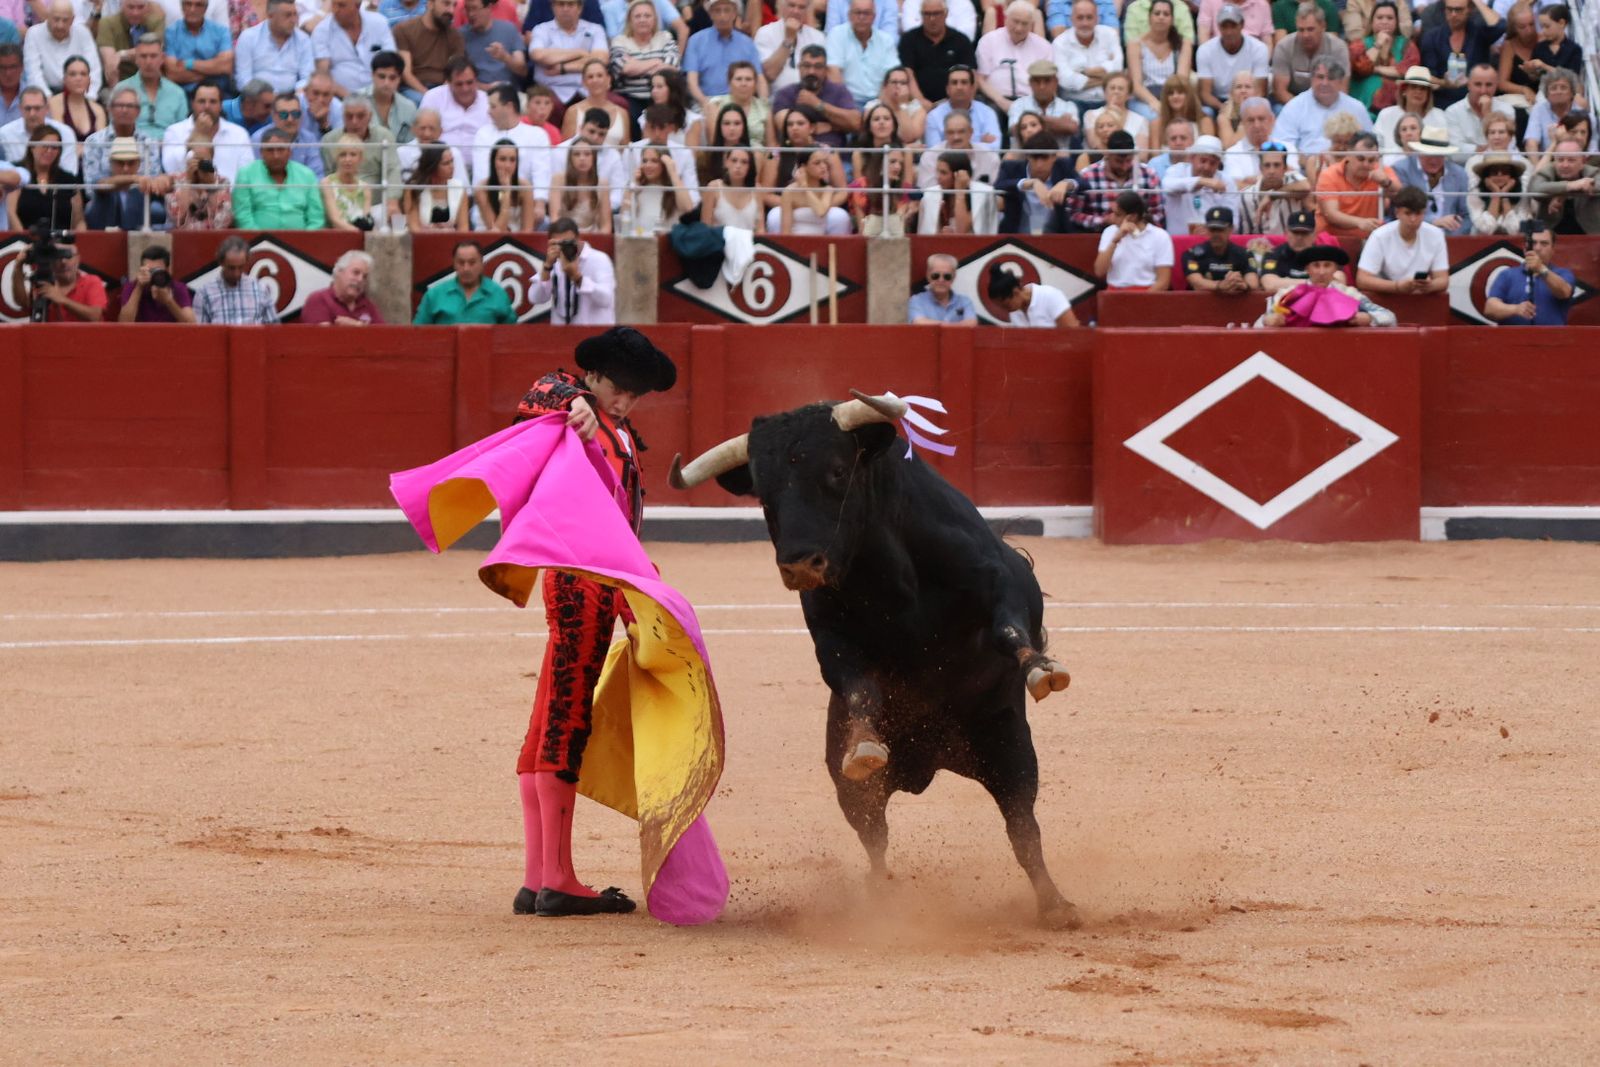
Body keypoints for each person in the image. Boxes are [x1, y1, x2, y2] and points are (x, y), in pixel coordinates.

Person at [507, 327, 677, 919]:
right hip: (581, 578)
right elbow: (535, 396)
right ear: (594, 376)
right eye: (616, 389)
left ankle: (538, 879)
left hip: (602, 577)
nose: (625, 400)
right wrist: (570, 397)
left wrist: (637, 589)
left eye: (635, 393)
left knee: (550, 718)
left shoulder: (620, 430)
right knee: (567, 719)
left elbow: (621, 522)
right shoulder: (575, 411)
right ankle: (558, 880)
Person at [1355, 184, 1450, 294]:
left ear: (1424, 213)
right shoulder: (1380, 236)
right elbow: (1362, 280)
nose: (1413, 219)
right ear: (1397, 213)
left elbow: (1443, 280)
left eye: (1418, 213)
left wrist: (1429, 286)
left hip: (1420, 298)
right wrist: (1397, 287)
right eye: (1408, 213)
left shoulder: (1436, 234)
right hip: (1386, 298)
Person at [1262, 244, 1385, 327]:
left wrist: (1369, 318)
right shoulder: (1288, 294)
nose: (1321, 272)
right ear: (1307, 269)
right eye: (1316, 265)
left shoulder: (1349, 294)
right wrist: (1269, 320)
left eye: (1327, 265)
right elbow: (1259, 323)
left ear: (1335, 269)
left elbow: (1389, 317)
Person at [1067, 127, 1165, 231]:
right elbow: (1073, 214)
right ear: (1107, 154)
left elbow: (1157, 214)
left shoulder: (1149, 175)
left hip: (1140, 238)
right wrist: (1103, 221)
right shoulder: (1088, 175)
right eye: (1118, 161)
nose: (1124, 166)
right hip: (1096, 237)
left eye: (1128, 160)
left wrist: (1139, 221)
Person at [320, 93, 402, 216]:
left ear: (370, 116)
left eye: (360, 116)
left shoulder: (384, 137)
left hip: (377, 207)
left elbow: (393, 170)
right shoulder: (329, 140)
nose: (354, 121)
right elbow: (328, 176)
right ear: (342, 117)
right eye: (349, 116)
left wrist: (392, 201)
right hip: (341, 206)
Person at [472, 82, 551, 206]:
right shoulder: (483, 134)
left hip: (526, 205)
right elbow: (481, 177)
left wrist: (539, 205)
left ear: (509, 106)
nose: (489, 112)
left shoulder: (537, 135)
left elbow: (541, 174)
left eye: (493, 106)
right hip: (489, 205)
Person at [1273, 58, 1372, 157]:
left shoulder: (1356, 108)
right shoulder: (1294, 107)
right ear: (1311, 79)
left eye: (1331, 78)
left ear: (1341, 82)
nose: (1325, 83)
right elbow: (1283, 143)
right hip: (1304, 167)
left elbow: (1369, 144)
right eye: (1320, 77)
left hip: (1347, 167)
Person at [1482, 222, 1574, 325]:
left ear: (1553, 249)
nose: (1538, 248)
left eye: (1544, 243)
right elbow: (1490, 309)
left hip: (1552, 339)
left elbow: (1564, 292)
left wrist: (1541, 269)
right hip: (1513, 339)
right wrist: (1516, 309)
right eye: (1533, 243)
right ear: (1525, 248)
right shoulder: (1507, 275)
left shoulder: (1563, 274)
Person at [234, 126, 327, 228]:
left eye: (281, 149)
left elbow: (316, 218)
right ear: (261, 153)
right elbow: (243, 216)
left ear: (289, 152)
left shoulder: (306, 175)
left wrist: (305, 240)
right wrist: (262, 241)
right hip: (257, 242)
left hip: (302, 241)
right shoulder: (246, 174)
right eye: (270, 150)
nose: (276, 156)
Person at [772, 44, 860, 149]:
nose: (811, 71)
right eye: (807, 66)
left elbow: (856, 123)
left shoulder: (838, 91)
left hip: (836, 156)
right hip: (796, 156)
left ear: (826, 70)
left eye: (817, 67)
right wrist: (834, 126)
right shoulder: (786, 93)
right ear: (799, 67)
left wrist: (818, 104)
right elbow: (781, 123)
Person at [530, 215, 616, 325]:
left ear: (578, 238)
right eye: (559, 244)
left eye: (568, 243)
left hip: (594, 334)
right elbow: (536, 298)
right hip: (561, 335)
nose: (564, 248)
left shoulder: (599, 259)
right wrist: (547, 268)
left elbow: (606, 299)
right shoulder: (553, 262)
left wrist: (578, 278)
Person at [1417, 0, 1502, 108]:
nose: (1453, 14)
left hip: (1477, 101)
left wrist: (1476, 2)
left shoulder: (1480, 33)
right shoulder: (1432, 37)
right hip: (1443, 103)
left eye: (1459, 10)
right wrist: (1445, 83)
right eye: (1449, 9)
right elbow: (1427, 76)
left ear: (1469, 10)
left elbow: (1499, 26)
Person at [681, 0, 760, 112]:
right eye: (717, 11)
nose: (722, 16)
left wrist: (763, 104)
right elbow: (691, 82)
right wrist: (706, 102)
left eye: (727, 10)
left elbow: (759, 78)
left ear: (735, 13)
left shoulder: (747, 43)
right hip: (706, 100)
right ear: (710, 14)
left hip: (742, 102)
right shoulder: (696, 41)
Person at [974, 0, 1050, 114]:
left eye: (1025, 23)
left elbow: (1048, 82)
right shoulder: (988, 41)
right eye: (1015, 21)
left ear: (1031, 24)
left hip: (1032, 103)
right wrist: (1000, 101)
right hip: (994, 101)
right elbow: (980, 79)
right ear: (1006, 18)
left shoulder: (1043, 46)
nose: (1019, 28)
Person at [1315, 131, 1397, 234]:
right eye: (1360, 158)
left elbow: (1402, 194)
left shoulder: (1380, 171)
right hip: (1331, 240)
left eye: (1371, 160)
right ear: (1348, 154)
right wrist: (1359, 222)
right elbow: (1331, 214)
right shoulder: (1329, 175)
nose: (1366, 164)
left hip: (1369, 240)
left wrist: (1386, 182)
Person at [7, 234, 104, 321]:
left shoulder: (91, 281)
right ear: (50, 261)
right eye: (58, 257)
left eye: (68, 256)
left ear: (78, 259)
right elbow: (22, 302)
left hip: (83, 339)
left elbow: (95, 316)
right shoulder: (44, 281)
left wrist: (62, 300)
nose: (63, 262)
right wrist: (18, 266)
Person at [311, 0, 397, 98]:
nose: (334, 10)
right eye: (333, 5)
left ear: (358, 6)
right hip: (340, 98)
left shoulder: (379, 22)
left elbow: (392, 62)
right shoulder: (321, 31)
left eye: (341, 5)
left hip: (381, 93)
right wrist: (353, 99)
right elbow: (323, 74)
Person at [1393, 124, 1471, 232]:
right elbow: (1400, 210)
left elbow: (1467, 215)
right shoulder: (1402, 169)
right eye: (1429, 154)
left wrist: (1454, 236)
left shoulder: (1459, 174)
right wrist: (1433, 222)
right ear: (1419, 152)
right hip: (1413, 232)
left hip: (1450, 236)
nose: (1434, 160)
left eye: (1439, 155)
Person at [415, 239, 515, 323]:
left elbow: (512, 336)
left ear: (481, 264)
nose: (466, 268)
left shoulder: (498, 294)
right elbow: (418, 334)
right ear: (454, 264)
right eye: (461, 262)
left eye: (472, 262)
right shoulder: (434, 295)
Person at [996, 129, 1075, 233]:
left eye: (1044, 158)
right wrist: (1029, 183)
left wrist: (1066, 183)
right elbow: (998, 185)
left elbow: (1084, 184)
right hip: (1017, 236)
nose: (1039, 164)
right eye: (1035, 158)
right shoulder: (1011, 167)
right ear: (1027, 156)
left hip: (1056, 236)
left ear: (1054, 157)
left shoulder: (1063, 166)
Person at [1093, 188, 1173, 290]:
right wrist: (1114, 241)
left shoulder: (1160, 236)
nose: (1112, 218)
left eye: (1117, 215)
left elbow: (1163, 281)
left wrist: (1140, 302)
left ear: (1132, 217)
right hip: (1115, 293)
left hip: (1147, 294)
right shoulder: (1109, 232)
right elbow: (1099, 271)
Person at [1160, 133, 1241, 234]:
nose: (1207, 167)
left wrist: (1211, 230)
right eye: (1203, 161)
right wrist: (1202, 181)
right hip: (1178, 242)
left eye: (1212, 163)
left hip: (1213, 244)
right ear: (1192, 158)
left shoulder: (1226, 182)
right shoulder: (1177, 171)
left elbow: (1234, 223)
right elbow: (1167, 186)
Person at [1197, 4, 1269, 116]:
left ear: (1242, 25)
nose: (1229, 32)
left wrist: (1243, 108)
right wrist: (1225, 109)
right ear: (1219, 27)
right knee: (1206, 112)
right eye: (1224, 26)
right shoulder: (1205, 50)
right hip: (1218, 101)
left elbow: (1260, 91)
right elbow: (1205, 94)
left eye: (1233, 26)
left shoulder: (1259, 49)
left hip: (1249, 100)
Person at [899, 0, 975, 106]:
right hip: (917, 103)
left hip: (954, 103)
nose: (932, 19)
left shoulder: (961, 40)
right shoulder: (909, 40)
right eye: (927, 14)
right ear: (921, 14)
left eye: (936, 13)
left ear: (946, 13)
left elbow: (971, 74)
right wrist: (920, 101)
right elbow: (908, 74)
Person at [6, 126, 82, 231]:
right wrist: (25, 240)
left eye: (54, 147)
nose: (49, 151)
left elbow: (79, 222)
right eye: (45, 146)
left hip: (60, 242)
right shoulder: (17, 175)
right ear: (32, 147)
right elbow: (11, 213)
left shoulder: (68, 179)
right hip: (22, 242)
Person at [609, 0, 678, 114]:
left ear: (654, 19)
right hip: (628, 96)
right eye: (637, 16)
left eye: (647, 16)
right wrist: (657, 61)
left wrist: (636, 65)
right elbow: (625, 68)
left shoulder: (665, 37)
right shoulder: (620, 41)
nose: (642, 20)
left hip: (661, 96)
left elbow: (672, 69)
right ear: (630, 21)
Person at [84, 134, 166, 227]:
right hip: (104, 238)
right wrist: (134, 178)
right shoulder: (105, 182)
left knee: (157, 210)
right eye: (120, 163)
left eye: (131, 163)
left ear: (138, 164)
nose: (126, 168)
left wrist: (163, 180)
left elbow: (166, 187)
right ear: (111, 164)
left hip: (136, 238)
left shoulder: (141, 187)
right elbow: (101, 185)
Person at [193, 235, 280, 324]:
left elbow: (273, 329)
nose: (236, 273)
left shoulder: (260, 289)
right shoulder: (204, 293)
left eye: (241, 267)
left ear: (246, 262)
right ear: (221, 263)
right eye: (231, 268)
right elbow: (200, 333)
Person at [114, 32, 186, 139]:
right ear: (136, 59)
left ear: (162, 58)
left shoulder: (177, 93)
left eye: (153, 56)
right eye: (143, 56)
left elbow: (183, 132)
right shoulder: (121, 90)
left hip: (168, 149)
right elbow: (114, 129)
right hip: (132, 148)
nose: (148, 61)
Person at [235, 0, 314, 96]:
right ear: (270, 16)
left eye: (295, 14)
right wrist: (266, 95)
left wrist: (296, 94)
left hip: (293, 98)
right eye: (288, 15)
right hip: (257, 98)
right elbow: (243, 79)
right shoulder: (248, 37)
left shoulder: (303, 39)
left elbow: (307, 77)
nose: (293, 20)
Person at [1052, 0, 1121, 110]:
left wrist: (1082, 72)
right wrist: (1105, 77)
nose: (1085, 23)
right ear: (1072, 20)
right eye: (1080, 17)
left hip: (1108, 101)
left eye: (1089, 17)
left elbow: (1117, 70)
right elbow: (1065, 80)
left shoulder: (1110, 35)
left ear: (1097, 19)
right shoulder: (1060, 43)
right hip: (1073, 103)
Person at [1129, 0, 1192, 120]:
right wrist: (1155, 103)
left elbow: (1182, 81)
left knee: (1206, 113)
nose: (1161, 17)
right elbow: (1137, 86)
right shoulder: (1135, 45)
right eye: (1157, 13)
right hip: (1145, 99)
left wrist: (1169, 105)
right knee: (1155, 117)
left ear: (1172, 19)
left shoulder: (1183, 44)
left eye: (1166, 14)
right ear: (1149, 18)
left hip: (1174, 96)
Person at [1348, 0, 1416, 111]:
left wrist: (1375, 69)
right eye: (1379, 18)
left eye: (1390, 18)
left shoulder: (1407, 45)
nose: (1384, 21)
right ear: (1372, 22)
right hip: (1364, 109)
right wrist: (1378, 44)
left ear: (1396, 21)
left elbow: (1408, 71)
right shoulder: (1359, 45)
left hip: (1398, 110)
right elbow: (1360, 68)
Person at [1269, 3, 1342, 106]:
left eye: (1310, 29)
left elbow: (1342, 90)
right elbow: (1280, 91)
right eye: (1301, 30)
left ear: (1323, 26)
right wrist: (1304, 110)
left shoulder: (1338, 48)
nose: (1305, 35)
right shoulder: (1283, 47)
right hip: (1292, 102)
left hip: (1329, 101)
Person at [25, 1, 102, 97]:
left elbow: (94, 71)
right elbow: (34, 74)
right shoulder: (34, 34)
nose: (60, 25)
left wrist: (89, 97)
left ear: (72, 20)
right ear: (48, 16)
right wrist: (49, 99)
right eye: (56, 19)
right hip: (46, 94)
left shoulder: (83, 33)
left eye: (65, 20)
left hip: (80, 94)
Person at [163, 0, 235, 99]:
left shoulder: (221, 31)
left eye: (198, 5)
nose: (193, 9)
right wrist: (213, 71)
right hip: (183, 95)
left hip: (218, 93)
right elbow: (172, 73)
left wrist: (189, 63)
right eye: (188, 4)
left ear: (205, 8)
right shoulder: (171, 32)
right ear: (182, 7)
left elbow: (226, 66)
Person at [1443, 63, 1512, 166]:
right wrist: (1484, 150)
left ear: (1496, 86)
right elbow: (1454, 153)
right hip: (1463, 170)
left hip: (1499, 166)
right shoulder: (1452, 112)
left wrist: (1488, 116)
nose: (1483, 91)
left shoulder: (1507, 110)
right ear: (1469, 84)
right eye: (1478, 84)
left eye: (1489, 85)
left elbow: (1509, 147)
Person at [394, 0, 465, 98]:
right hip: (413, 88)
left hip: (443, 88)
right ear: (431, 3)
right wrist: (429, 96)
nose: (451, 11)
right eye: (446, 3)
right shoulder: (404, 30)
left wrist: (441, 95)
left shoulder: (455, 36)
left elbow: (454, 71)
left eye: (454, 5)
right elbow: (406, 74)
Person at [1530, 137, 1599, 235]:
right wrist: (1570, 186)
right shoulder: (1547, 171)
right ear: (1554, 160)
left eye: (1571, 160)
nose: (1565, 165)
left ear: (1583, 162)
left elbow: (1598, 185)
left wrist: (1563, 194)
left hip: (1590, 235)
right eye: (1560, 160)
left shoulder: (1593, 172)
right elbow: (1534, 189)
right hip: (1549, 237)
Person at [419, 54, 489, 152]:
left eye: (469, 82)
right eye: (459, 84)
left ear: (476, 80)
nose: (465, 89)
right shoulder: (433, 98)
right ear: (448, 82)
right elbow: (423, 136)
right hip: (440, 162)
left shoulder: (488, 102)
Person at [1375, 66, 1447, 160]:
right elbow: (1375, 148)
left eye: (1423, 88)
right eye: (1413, 87)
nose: (1418, 92)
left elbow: (1445, 151)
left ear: (1428, 93)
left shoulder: (1439, 116)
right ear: (1404, 91)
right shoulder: (1386, 115)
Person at [917, 147, 996, 233]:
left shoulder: (981, 195)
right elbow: (926, 234)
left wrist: (960, 192)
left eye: (943, 173)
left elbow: (961, 230)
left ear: (958, 174)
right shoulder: (930, 196)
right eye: (937, 171)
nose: (938, 177)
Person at [164, 130, 234, 227]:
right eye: (196, 160)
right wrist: (187, 182)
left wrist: (212, 187)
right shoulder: (175, 180)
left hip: (213, 238)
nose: (200, 165)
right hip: (183, 238)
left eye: (204, 161)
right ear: (188, 158)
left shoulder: (222, 182)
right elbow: (177, 218)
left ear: (212, 159)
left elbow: (222, 222)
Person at [1183, 205, 1259, 292]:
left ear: (1231, 229)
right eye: (1212, 230)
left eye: (1220, 230)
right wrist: (1221, 285)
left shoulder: (1244, 254)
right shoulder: (1193, 254)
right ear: (1206, 229)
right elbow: (1197, 283)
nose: (1216, 234)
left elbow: (1253, 284)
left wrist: (1241, 284)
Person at [1005, 59, 1078, 149]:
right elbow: (1014, 130)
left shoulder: (1068, 106)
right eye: (1037, 81)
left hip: (1058, 159)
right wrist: (1058, 123)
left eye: (1047, 81)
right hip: (1025, 155)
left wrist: (1029, 124)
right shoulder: (1018, 104)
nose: (1042, 86)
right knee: (1011, 157)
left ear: (1056, 82)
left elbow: (1071, 128)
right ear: (1030, 82)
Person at [1239, 140, 1310, 232]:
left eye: (1277, 165)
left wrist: (1272, 196)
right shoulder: (1246, 196)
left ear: (1285, 168)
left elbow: (1306, 187)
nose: (1271, 171)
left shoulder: (1293, 180)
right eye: (1267, 165)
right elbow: (1245, 235)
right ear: (1260, 168)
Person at [301, 248, 385, 324]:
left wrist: (357, 326)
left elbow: (385, 336)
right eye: (356, 273)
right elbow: (323, 337)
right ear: (339, 272)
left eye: (365, 276)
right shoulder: (319, 299)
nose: (360, 279)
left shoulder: (367, 305)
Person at [758, 0, 824, 94]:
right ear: (781, 7)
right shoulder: (765, 33)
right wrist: (789, 39)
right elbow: (769, 74)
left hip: (810, 98)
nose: (796, 11)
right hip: (776, 101)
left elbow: (821, 76)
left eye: (801, 7)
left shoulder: (817, 37)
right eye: (792, 5)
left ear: (807, 11)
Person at [549, 136, 613, 231]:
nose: (582, 158)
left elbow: (606, 225)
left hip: (592, 237)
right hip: (564, 236)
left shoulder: (602, 184)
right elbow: (555, 218)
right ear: (570, 158)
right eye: (576, 154)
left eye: (587, 154)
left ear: (594, 157)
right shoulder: (558, 180)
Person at [118, 244, 195, 322]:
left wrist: (169, 302)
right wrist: (139, 287)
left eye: (158, 271)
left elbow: (191, 325)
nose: (154, 275)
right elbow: (124, 323)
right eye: (150, 271)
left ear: (167, 270)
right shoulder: (132, 287)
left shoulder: (178, 288)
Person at [402, 142, 471, 229]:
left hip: (450, 240)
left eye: (452, 161)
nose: (452, 166)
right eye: (446, 163)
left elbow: (464, 228)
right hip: (420, 240)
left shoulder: (459, 188)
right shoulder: (413, 189)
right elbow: (413, 227)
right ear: (433, 166)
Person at [1523, 68, 1591, 156]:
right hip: (1547, 162)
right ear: (1546, 94)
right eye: (1553, 88)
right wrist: (1537, 168)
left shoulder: (1581, 111)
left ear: (1572, 93)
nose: (1558, 91)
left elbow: (1592, 147)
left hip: (1578, 160)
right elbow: (1531, 143)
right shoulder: (1539, 109)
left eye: (1563, 87)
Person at [98, 0, 165, 86]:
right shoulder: (107, 23)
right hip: (122, 81)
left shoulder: (156, 21)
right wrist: (118, 93)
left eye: (140, 7)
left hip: (150, 80)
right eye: (130, 7)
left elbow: (154, 50)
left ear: (148, 6)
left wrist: (122, 54)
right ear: (121, 6)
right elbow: (111, 63)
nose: (135, 13)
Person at [462, 0, 527, 87]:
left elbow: (522, 70)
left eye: (474, 8)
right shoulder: (461, 35)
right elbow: (458, 76)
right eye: (467, 9)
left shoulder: (509, 29)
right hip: (475, 92)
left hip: (508, 91)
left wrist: (505, 57)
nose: (470, 14)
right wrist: (487, 88)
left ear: (488, 8)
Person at [988, 265, 1078, 326]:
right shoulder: (1014, 311)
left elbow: (1072, 332)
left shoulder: (1050, 296)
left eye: (1006, 305)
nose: (1006, 310)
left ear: (1016, 292)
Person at [320, 132, 373, 228]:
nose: (347, 159)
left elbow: (366, 221)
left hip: (358, 238)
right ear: (337, 158)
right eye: (343, 155)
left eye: (353, 155)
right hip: (333, 238)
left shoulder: (365, 188)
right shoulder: (327, 183)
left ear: (360, 158)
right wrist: (359, 234)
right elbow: (335, 220)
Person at [907, 251, 977, 323]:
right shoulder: (916, 301)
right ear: (928, 275)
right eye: (935, 276)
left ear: (954, 277)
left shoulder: (964, 302)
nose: (941, 280)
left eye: (947, 276)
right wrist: (956, 326)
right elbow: (919, 323)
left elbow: (971, 324)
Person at [49, 55, 105, 143]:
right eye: (72, 74)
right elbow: (59, 138)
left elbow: (100, 144)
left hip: (91, 156)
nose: (78, 78)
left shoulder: (98, 110)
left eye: (83, 74)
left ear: (89, 80)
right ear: (64, 79)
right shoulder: (54, 103)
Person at [368, 50, 417, 141]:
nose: (386, 83)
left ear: (399, 79)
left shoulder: (409, 107)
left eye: (392, 78)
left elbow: (410, 145)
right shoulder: (356, 100)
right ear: (372, 75)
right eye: (382, 76)